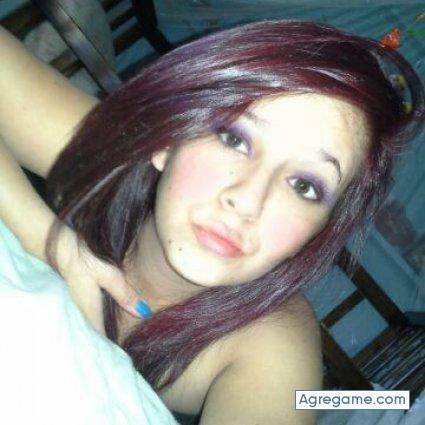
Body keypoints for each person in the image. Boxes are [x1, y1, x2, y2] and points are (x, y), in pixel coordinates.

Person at [0, 19, 423, 425]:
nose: (247, 201)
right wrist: (48, 237)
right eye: (235, 139)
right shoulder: (116, 161)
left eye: (304, 186)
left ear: (317, 233)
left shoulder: (273, 346)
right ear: (169, 141)